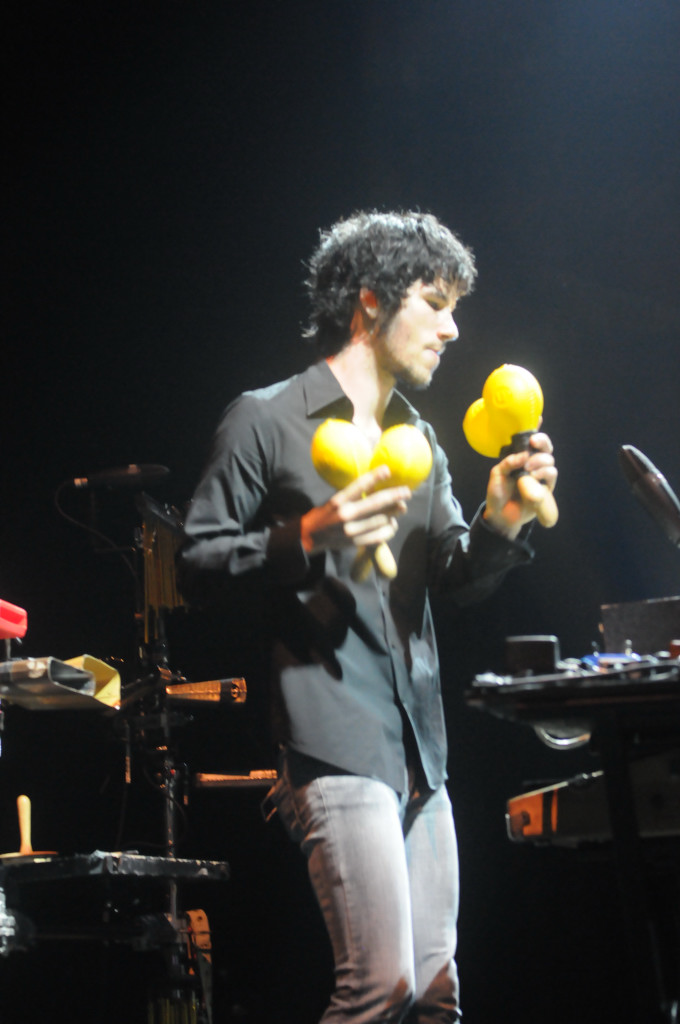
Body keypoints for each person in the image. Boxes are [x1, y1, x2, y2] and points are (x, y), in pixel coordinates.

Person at [177, 210, 558, 1023]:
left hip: (421, 751)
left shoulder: (419, 438)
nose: (453, 329)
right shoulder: (266, 419)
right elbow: (196, 563)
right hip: (332, 736)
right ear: (371, 302)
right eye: (436, 304)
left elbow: (453, 577)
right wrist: (308, 533)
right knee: (380, 987)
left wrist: (501, 522)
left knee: (435, 994)